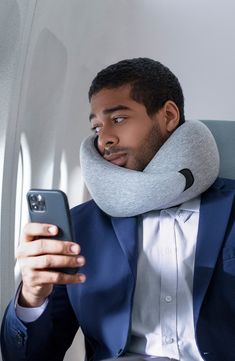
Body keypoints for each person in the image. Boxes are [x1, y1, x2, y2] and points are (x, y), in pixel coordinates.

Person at [1, 58, 235, 361]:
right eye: (97, 125)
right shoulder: (81, 225)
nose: (104, 138)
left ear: (168, 115)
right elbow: (28, 356)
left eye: (119, 119)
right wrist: (32, 297)